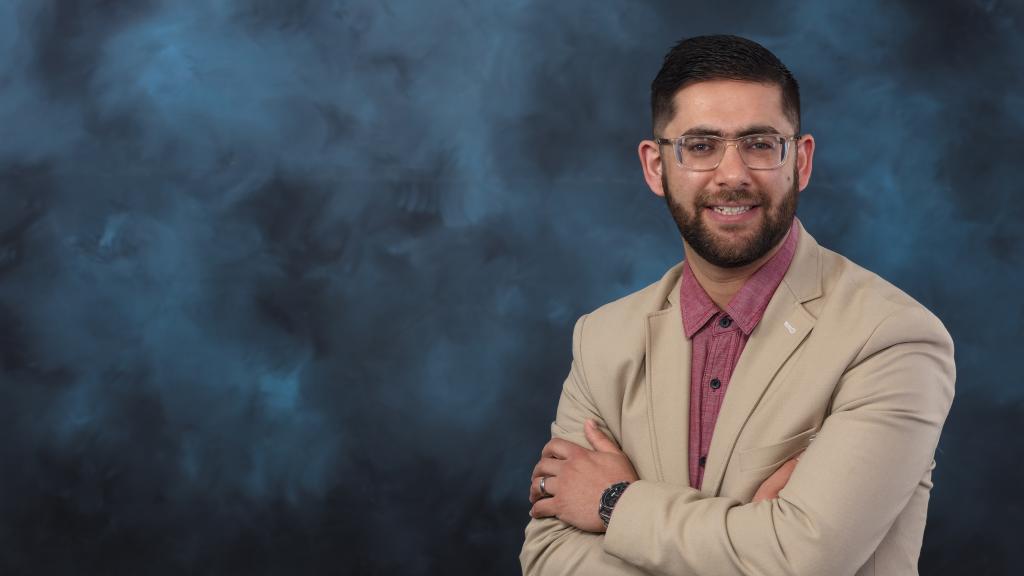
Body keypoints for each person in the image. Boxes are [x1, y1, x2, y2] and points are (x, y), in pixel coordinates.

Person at [519, 34, 955, 576]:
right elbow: (548, 557)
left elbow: (802, 559)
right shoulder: (602, 339)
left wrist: (613, 503)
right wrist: (755, 539)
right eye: (700, 146)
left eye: (760, 143)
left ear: (801, 160)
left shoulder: (892, 337)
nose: (732, 175)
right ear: (656, 167)